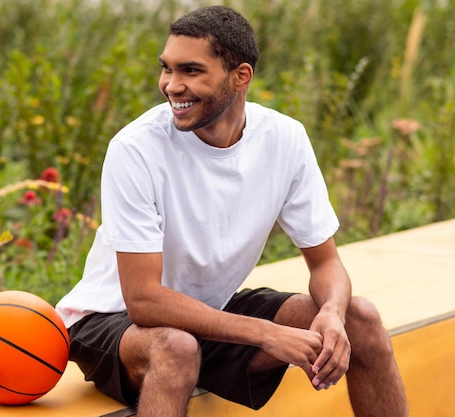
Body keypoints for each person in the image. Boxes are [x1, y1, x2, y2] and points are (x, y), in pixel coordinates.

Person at [56, 5, 408, 417]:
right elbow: (144, 301)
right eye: (166, 69)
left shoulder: (284, 139)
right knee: (176, 348)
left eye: (190, 70)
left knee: (358, 318)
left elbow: (326, 262)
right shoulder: (136, 149)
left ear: (240, 76)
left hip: (208, 312)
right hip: (111, 321)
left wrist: (331, 313)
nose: (171, 85)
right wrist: (267, 334)